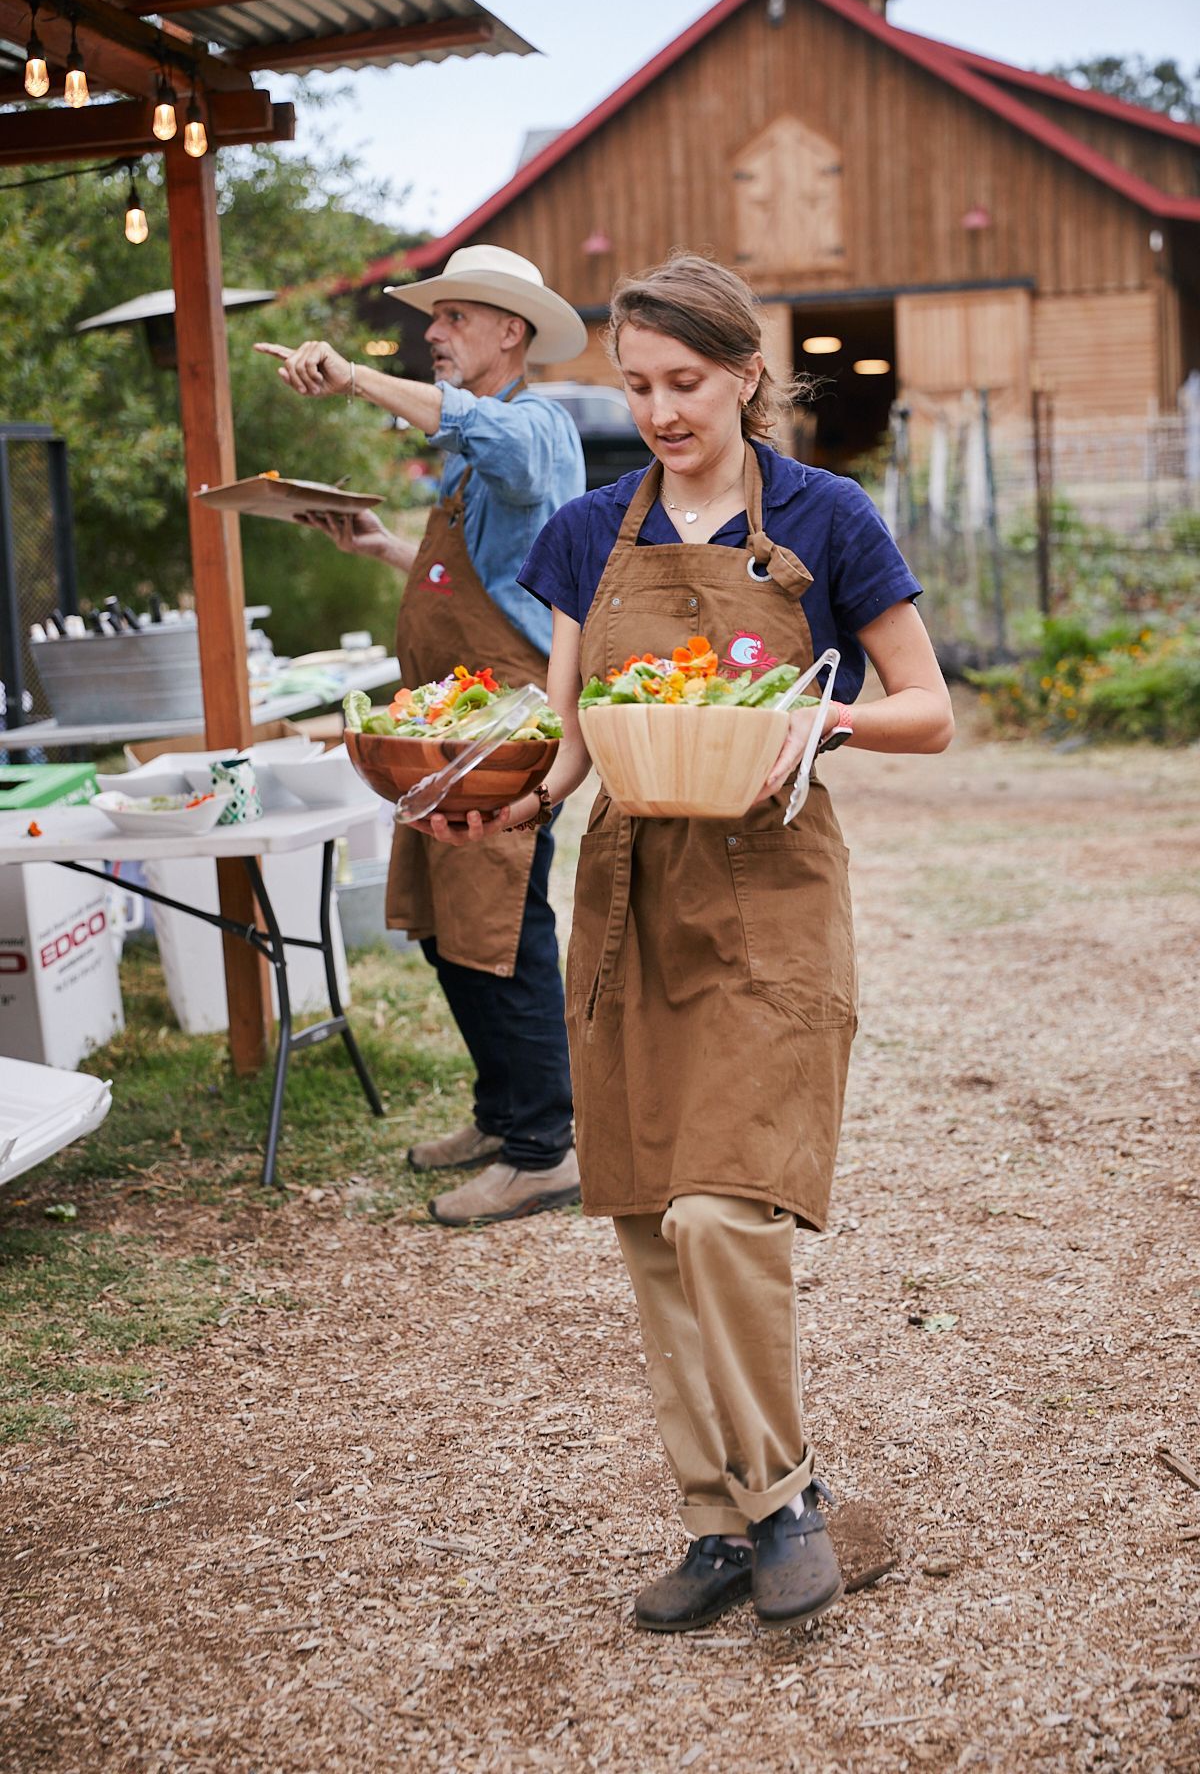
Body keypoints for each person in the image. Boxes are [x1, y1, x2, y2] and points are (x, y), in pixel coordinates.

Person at [413, 252, 955, 1632]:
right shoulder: (587, 533)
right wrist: (514, 800)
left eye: (687, 383)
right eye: (639, 384)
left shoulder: (827, 518)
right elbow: (572, 734)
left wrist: (826, 717)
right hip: (631, 895)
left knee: (724, 1207)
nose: (660, 410)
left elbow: (929, 709)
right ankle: (716, 1521)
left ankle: (785, 1497)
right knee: (650, 1217)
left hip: (772, 889)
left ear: (746, 375)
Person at [254, 246, 587, 1226]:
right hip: (451, 727)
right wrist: (382, 546)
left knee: (503, 932)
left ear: (511, 332)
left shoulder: (535, 427)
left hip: (506, 727)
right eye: (431, 320)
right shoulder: (473, 452)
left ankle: (545, 1151)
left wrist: (354, 377)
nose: (432, 334)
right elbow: (488, 578)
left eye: (452, 318)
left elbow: (491, 439)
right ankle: (503, 1115)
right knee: (451, 934)